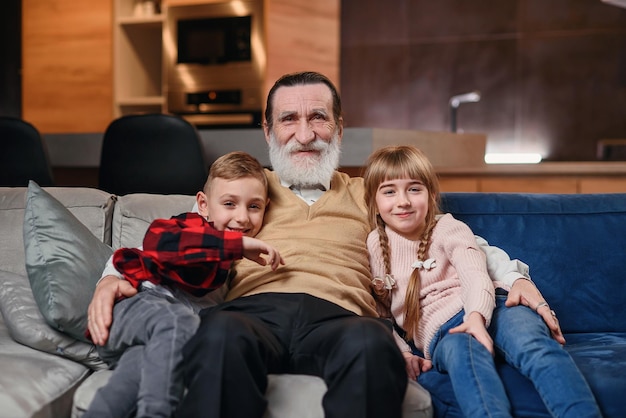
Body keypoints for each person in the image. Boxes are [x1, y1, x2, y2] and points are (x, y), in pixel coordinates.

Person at [88, 71, 565, 418]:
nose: (304, 133)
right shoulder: (244, 191)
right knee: (216, 338)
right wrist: (114, 279)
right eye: (289, 119)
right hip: (252, 312)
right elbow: (170, 239)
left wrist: (515, 279)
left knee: (372, 348)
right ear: (269, 131)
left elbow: (452, 237)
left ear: (338, 128)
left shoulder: (368, 192)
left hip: (342, 318)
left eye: (318, 118)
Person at [363, 144, 601, 417]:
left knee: (535, 348)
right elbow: (378, 312)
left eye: (414, 189)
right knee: (467, 362)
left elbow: (475, 273)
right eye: (389, 191)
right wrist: (403, 352)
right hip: (444, 334)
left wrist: (476, 315)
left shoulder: (449, 228)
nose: (403, 200)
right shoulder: (374, 246)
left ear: (431, 194)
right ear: (374, 202)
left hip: (497, 307)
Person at [84, 151, 284, 418]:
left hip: (153, 341)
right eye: (229, 203)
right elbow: (161, 245)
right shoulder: (190, 227)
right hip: (135, 309)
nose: (243, 218)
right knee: (177, 321)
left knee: (136, 374)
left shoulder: (239, 264)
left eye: (254, 207)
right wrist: (236, 245)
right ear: (203, 205)